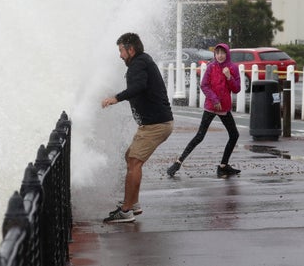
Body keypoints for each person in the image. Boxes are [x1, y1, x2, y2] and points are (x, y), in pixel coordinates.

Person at [101, 33, 174, 223]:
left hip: (156, 125)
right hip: (156, 123)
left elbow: (139, 86)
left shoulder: (137, 64)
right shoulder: (143, 61)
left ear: (130, 49)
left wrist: (115, 98)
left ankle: (126, 210)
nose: (120, 56)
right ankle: (133, 204)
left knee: (134, 162)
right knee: (130, 157)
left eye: (121, 51)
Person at [167, 43, 242, 178]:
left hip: (224, 107)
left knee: (234, 135)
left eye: (222, 53)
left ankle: (223, 166)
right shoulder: (211, 67)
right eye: (217, 53)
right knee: (199, 136)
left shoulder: (232, 68)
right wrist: (214, 100)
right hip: (211, 106)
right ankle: (178, 163)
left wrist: (229, 77)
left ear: (227, 54)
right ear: (215, 54)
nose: (219, 55)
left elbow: (237, 89)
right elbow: (204, 85)